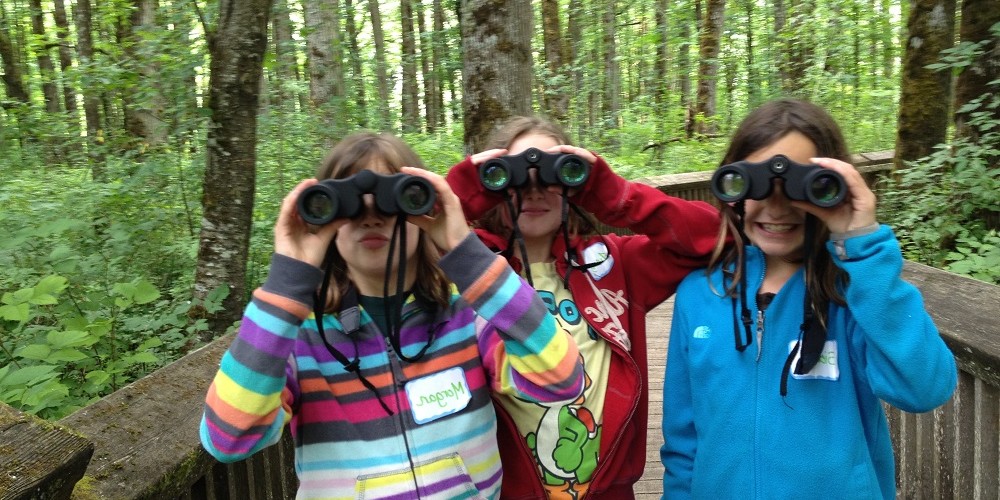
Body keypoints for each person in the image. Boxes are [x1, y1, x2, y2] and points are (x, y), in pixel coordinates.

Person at [199, 131, 585, 499]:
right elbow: (228, 438)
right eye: (348, 204)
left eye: (391, 199)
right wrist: (286, 285)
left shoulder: (467, 317)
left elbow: (562, 379)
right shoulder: (299, 340)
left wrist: (464, 251)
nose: (372, 217)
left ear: (422, 207)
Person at [660, 98, 958, 499]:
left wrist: (863, 248)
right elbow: (683, 438)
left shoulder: (853, 294)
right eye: (758, 183)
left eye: (803, 186)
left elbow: (924, 388)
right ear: (733, 187)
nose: (779, 206)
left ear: (832, 188)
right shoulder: (701, 292)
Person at [446, 116, 722, 498]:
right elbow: (401, 244)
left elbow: (714, 234)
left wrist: (613, 194)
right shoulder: (464, 269)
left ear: (574, 181)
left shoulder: (613, 264)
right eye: (516, 176)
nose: (534, 190)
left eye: (550, 173)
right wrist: (464, 194)